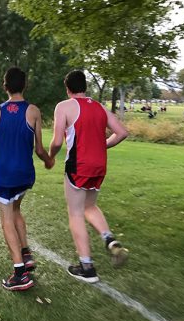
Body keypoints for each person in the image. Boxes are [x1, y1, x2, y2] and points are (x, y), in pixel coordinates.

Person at [49, 70, 129, 283]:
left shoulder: (64, 106)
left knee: (75, 213)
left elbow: (57, 141)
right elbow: (122, 132)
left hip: (78, 165)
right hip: (99, 165)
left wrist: (50, 156)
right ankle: (109, 239)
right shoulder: (99, 107)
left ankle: (87, 268)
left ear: (67, 89)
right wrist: (102, 145)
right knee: (89, 207)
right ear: (85, 87)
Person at [0, 67, 54, 291]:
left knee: (6, 218)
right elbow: (39, 149)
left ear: (5, 86)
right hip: (25, 175)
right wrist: (49, 161)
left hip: (5, 175)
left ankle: (20, 273)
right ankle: (26, 254)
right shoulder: (34, 111)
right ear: (25, 85)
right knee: (16, 210)